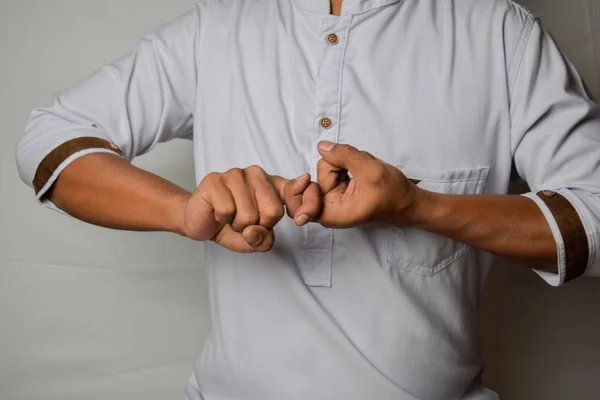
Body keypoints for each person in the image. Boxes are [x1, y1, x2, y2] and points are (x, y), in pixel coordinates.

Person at [15, 0, 600, 398]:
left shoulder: (498, 32)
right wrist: (182, 211)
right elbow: (48, 138)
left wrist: (419, 208)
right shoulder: (220, 26)